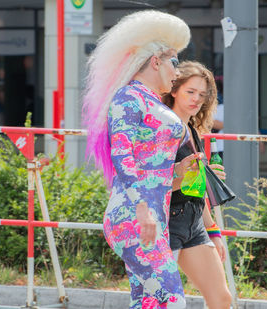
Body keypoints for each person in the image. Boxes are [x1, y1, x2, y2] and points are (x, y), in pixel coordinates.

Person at [81, 11, 195, 309]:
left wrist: (179, 171)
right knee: (172, 299)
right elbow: (123, 156)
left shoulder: (150, 100)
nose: (177, 71)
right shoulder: (128, 97)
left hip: (152, 216)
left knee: (147, 302)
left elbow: (151, 166)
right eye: (174, 62)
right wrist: (143, 212)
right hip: (133, 216)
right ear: (155, 61)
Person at [162, 61, 232, 309]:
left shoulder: (192, 130)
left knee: (221, 299)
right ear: (174, 90)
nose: (196, 99)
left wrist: (213, 230)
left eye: (202, 95)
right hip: (165, 221)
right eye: (190, 92)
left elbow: (195, 190)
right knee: (164, 303)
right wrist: (190, 175)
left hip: (193, 220)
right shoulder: (163, 128)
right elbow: (150, 184)